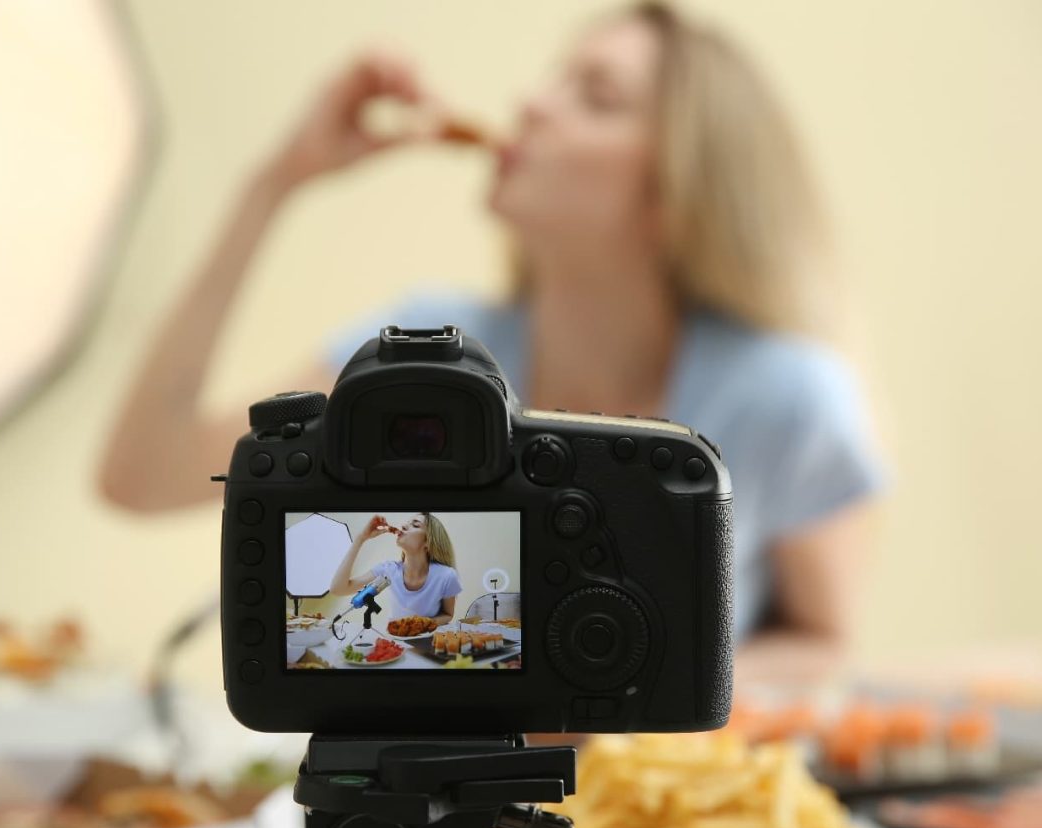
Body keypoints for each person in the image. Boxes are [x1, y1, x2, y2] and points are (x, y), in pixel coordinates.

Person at [100, 3, 886, 685]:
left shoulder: (785, 395)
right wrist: (274, 183)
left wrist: (635, 710)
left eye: (596, 96)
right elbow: (144, 473)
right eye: (553, 78)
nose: (532, 104)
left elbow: (822, 644)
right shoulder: (418, 356)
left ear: (682, 185)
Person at [330, 514, 460, 626]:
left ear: (428, 543)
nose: (403, 526)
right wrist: (361, 538)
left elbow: (448, 614)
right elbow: (338, 589)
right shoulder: (388, 570)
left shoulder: (446, 576)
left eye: (415, 525)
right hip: (396, 643)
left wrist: (422, 625)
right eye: (407, 523)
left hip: (428, 645)